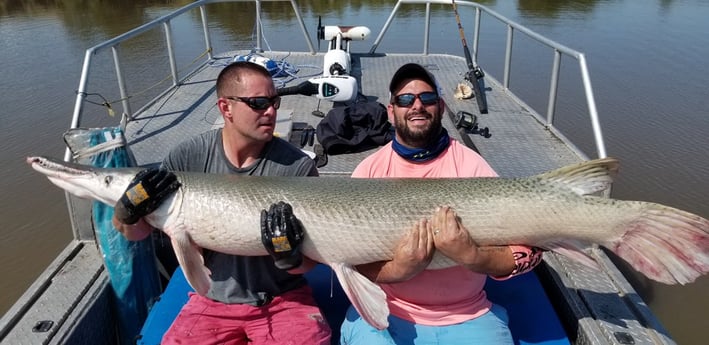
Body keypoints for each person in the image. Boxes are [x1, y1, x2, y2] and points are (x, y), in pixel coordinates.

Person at [111, 61, 331, 345]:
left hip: (282, 298)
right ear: (226, 108)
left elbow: (311, 261)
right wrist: (125, 213)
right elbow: (137, 233)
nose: (271, 111)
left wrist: (291, 261)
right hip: (212, 300)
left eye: (275, 101)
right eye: (259, 103)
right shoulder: (187, 159)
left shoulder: (297, 167)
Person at [338, 63, 544, 344]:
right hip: (386, 313)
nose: (417, 106)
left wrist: (472, 256)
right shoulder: (368, 171)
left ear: (442, 106)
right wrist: (399, 270)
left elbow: (532, 251)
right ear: (391, 110)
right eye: (405, 99)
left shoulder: (472, 165)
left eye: (428, 98)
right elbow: (350, 262)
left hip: (468, 315)